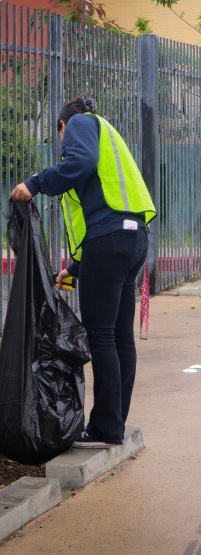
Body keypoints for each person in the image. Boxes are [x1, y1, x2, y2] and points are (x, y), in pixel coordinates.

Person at [11, 95, 156, 448]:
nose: (64, 143)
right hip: (133, 240)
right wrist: (76, 267)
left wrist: (35, 183)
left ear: (63, 125)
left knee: (102, 335)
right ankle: (113, 424)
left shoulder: (79, 124)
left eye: (60, 137)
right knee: (120, 336)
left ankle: (106, 427)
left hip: (110, 242)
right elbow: (109, 206)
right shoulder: (109, 134)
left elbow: (81, 161)